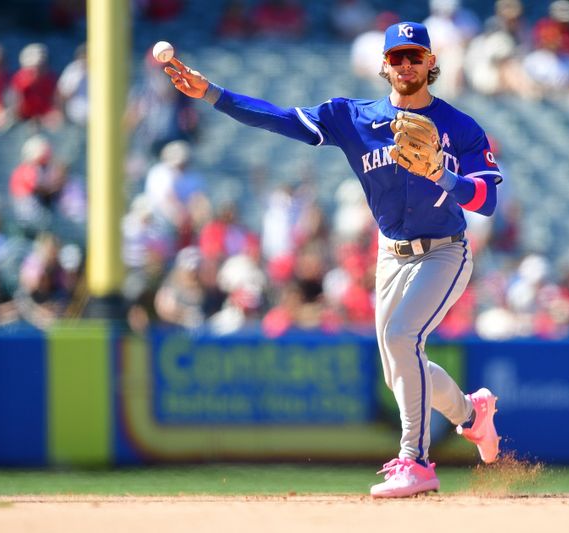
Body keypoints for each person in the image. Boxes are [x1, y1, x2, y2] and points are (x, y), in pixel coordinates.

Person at [162, 21, 502, 498]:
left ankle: (416, 461)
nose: (406, 64)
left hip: (445, 251)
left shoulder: (460, 127)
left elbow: (487, 200)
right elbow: (279, 118)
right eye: (397, 56)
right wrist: (213, 93)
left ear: (431, 62)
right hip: (390, 253)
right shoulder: (352, 117)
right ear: (384, 65)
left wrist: (444, 175)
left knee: (403, 340)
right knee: (398, 367)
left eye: (415, 55)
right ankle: (471, 414)